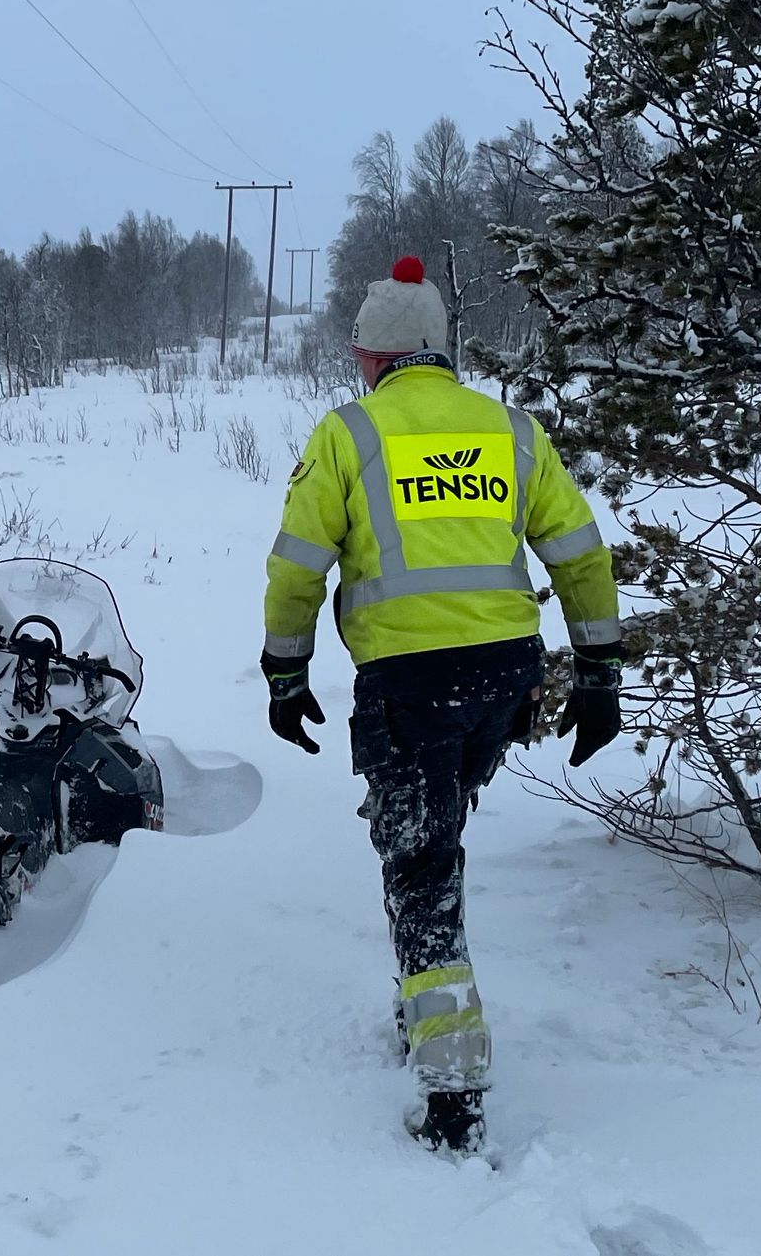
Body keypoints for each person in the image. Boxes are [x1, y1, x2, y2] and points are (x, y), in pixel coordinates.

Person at [261, 255, 621, 1155]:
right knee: (432, 835)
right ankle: (421, 1002)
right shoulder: (511, 429)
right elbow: (581, 552)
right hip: (504, 682)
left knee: (419, 867)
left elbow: (298, 567)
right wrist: (600, 672)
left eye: (360, 356)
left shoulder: (349, 434)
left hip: (410, 684)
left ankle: (454, 1091)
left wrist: (285, 672)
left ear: (376, 356)